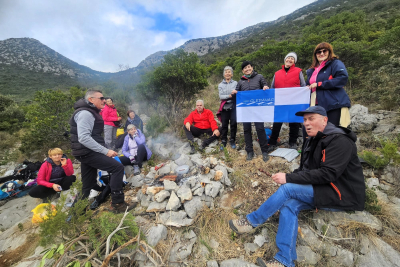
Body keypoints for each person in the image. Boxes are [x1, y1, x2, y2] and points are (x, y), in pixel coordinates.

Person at [228, 106, 365, 267]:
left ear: (325, 120)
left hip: (341, 193)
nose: (306, 123)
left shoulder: (339, 140)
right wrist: (291, 176)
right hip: (322, 189)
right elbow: (305, 170)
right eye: (305, 120)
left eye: (311, 118)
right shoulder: (313, 139)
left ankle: (251, 222)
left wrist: (288, 178)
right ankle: (285, 260)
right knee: (288, 204)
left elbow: (328, 174)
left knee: (287, 189)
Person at [69, 89, 135, 213]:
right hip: (88, 152)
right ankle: (118, 203)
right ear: (91, 99)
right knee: (117, 168)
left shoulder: (88, 112)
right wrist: (105, 151)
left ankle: (74, 215)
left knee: (87, 184)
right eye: (101, 98)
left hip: (83, 153)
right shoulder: (85, 113)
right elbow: (84, 137)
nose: (104, 100)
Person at [306, 42, 351, 127]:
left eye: (324, 51)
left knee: (332, 131)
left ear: (329, 52)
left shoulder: (335, 63)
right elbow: (308, 84)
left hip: (333, 104)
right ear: (315, 55)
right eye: (319, 52)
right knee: (320, 131)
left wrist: (320, 84)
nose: (321, 53)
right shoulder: (311, 70)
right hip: (317, 105)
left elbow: (342, 78)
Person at [268, 52, 306, 151]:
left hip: (294, 102)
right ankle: (272, 142)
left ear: (294, 62)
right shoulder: (277, 73)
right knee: (277, 123)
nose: (289, 59)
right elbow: (273, 87)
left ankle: (292, 142)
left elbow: (303, 86)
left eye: (292, 59)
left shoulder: (298, 71)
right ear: (285, 60)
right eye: (288, 58)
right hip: (280, 102)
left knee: (294, 122)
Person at [233, 60, 269, 161]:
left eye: (249, 67)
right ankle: (249, 151)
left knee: (260, 129)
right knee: (246, 130)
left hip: (258, 109)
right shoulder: (240, 82)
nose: (247, 69)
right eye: (245, 68)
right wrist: (235, 92)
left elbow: (264, 85)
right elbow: (237, 93)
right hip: (245, 110)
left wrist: (265, 87)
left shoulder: (259, 77)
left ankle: (264, 151)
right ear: (243, 71)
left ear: (252, 67)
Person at [217, 66, 238, 149]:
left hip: (233, 106)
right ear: (224, 74)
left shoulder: (235, 83)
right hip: (224, 107)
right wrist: (229, 95)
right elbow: (221, 96)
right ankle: (224, 141)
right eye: (226, 72)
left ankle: (232, 140)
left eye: (229, 72)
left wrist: (234, 94)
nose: (227, 73)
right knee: (224, 125)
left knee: (233, 124)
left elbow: (237, 93)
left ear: (232, 74)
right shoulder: (220, 85)